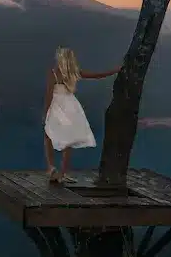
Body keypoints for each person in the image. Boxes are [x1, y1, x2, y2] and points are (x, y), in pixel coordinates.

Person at [44, 47, 120, 184]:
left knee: (48, 134)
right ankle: (63, 173)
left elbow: (49, 94)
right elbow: (97, 75)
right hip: (72, 105)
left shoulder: (54, 73)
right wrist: (115, 71)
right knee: (69, 140)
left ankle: (51, 167)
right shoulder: (75, 73)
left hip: (58, 105)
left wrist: (46, 112)